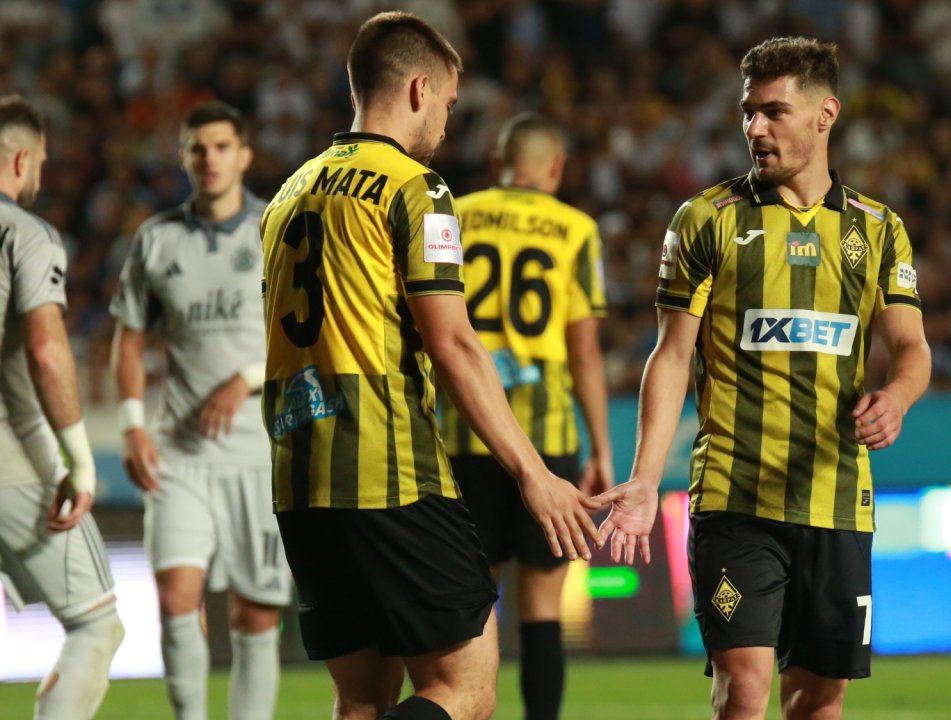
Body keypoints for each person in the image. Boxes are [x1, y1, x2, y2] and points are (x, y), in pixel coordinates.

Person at [259, 12, 600, 720]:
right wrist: (534, 474)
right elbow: (453, 343)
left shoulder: (288, 193)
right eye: (448, 102)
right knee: (465, 690)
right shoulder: (417, 187)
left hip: (300, 475)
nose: (447, 123)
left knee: (361, 701)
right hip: (388, 469)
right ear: (419, 89)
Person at [593, 37, 931, 720]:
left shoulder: (878, 229)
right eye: (748, 112)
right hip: (734, 498)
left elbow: (912, 346)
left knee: (819, 699)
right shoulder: (706, 220)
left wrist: (897, 397)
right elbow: (671, 355)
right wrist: (644, 479)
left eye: (775, 112)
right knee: (743, 688)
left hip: (836, 500)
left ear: (825, 114)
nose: (755, 128)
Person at [108, 100, 286, 720]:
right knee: (175, 598)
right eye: (197, 148)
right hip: (179, 454)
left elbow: (310, 334)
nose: (209, 158)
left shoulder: (276, 229)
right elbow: (129, 341)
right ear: (183, 158)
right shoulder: (157, 239)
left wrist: (247, 378)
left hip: (259, 453)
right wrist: (133, 426)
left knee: (256, 614)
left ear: (244, 155)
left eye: (221, 146)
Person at [438, 113, 611, 720]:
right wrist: (601, 448)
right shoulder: (576, 229)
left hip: (465, 434)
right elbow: (584, 350)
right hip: (547, 442)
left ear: (497, 162)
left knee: (471, 606)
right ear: (556, 167)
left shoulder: (455, 215)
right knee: (542, 608)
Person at [0, 94, 124, 719]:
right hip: (12, 458)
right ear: (23, 160)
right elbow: (48, 351)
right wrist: (80, 460)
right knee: (97, 626)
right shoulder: (25, 233)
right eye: (43, 162)